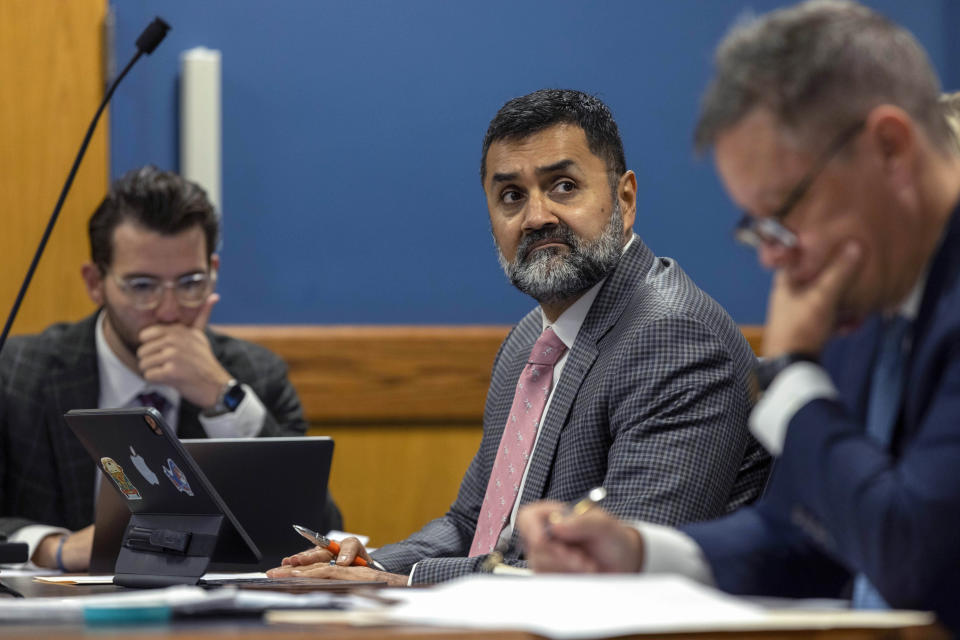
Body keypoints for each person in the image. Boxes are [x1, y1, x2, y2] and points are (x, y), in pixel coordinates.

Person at [517, 1, 960, 631]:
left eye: (782, 212)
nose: (774, 257)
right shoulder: (865, 294)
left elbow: (917, 559)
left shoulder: (845, 304)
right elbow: (810, 535)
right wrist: (641, 554)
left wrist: (793, 384)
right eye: (757, 227)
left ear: (890, 148)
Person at [267, 89, 769, 586]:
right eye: (512, 196)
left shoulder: (674, 338)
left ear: (625, 198)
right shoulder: (531, 342)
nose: (536, 217)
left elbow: (618, 574)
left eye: (564, 186)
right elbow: (472, 526)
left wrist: (406, 585)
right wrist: (370, 565)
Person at [0, 166, 340, 571]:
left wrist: (222, 399)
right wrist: (52, 547)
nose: (169, 310)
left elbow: (319, 530)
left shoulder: (255, 374)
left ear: (213, 271)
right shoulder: (17, 374)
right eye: (142, 286)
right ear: (95, 282)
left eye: (190, 282)